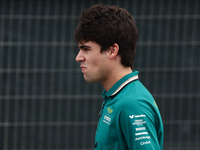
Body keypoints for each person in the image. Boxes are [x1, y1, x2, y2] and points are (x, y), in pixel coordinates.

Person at [74, 3, 164, 150]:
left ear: (112, 50)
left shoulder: (132, 104)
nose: (79, 57)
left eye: (86, 49)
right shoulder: (118, 97)